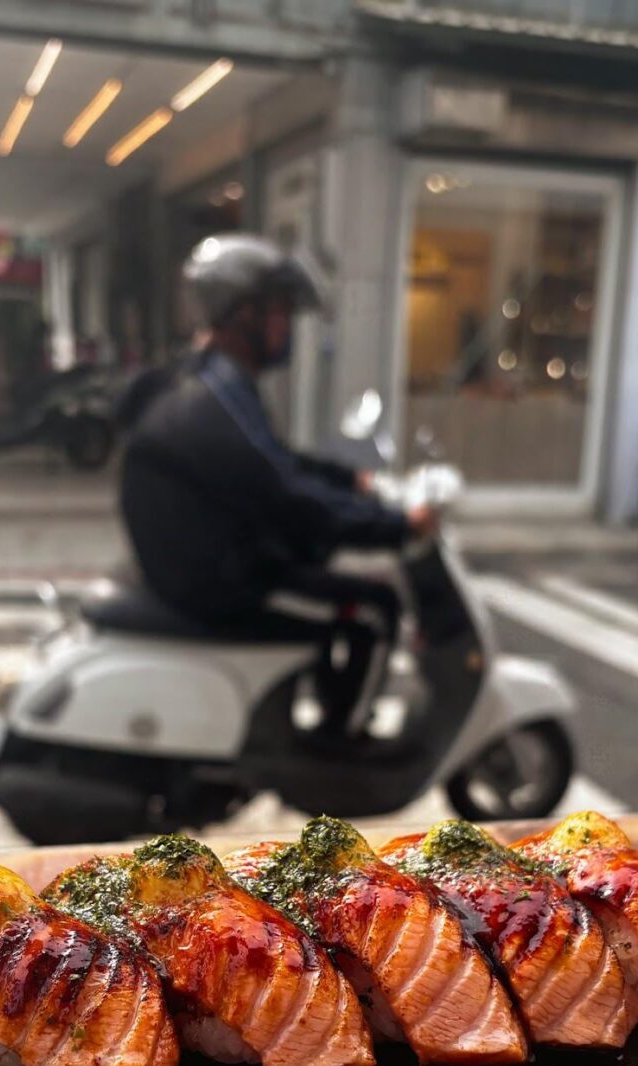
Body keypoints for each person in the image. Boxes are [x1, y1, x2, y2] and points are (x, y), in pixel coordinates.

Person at [119, 233, 436, 734]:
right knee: (375, 611)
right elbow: (286, 495)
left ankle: (312, 714)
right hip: (221, 582)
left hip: (205, 559)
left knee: (326, 573)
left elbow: (275, 465)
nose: (288, 326)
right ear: (242, 313)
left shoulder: (208, 381)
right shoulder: (217, 399)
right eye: (280, 311)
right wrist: (397, 527)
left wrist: (349, 480)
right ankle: (339, 743)